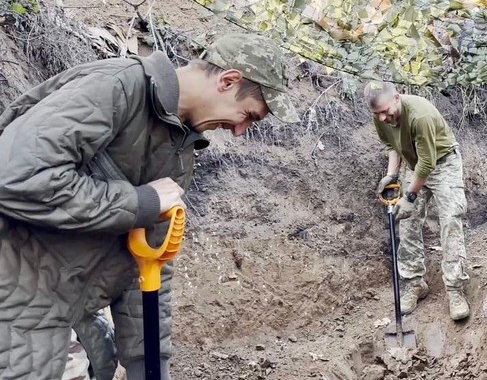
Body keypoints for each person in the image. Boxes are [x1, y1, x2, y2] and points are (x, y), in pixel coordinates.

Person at [0, 32, 299, 380]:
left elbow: (150, 259)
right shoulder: (115, 88)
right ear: (228, 81)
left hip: (64, 312)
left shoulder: (179, 144)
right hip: (18, 305)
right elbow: (14, 176)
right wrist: (139, 202)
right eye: (248, 114)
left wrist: (150, 363)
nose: (239, 131)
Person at [364, 81, 471, 321]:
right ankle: (414, 283)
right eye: (376, 114)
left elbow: (427, 163)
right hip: (415, 165)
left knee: (451, 220)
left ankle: (455, 288)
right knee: (407, 222)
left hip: (443, 163)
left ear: (397, 98)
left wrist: (410, 196)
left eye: (384, 111)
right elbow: (392, 145)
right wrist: (391, 175)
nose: (382, 118)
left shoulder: (419, 115)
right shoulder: (381, 116)